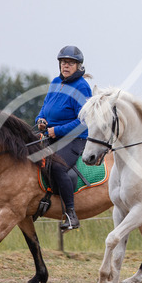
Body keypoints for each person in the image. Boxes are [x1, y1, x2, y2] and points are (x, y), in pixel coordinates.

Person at [35, 45, 93, 232]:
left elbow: (84, 120)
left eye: (70, 63)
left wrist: (57, 130)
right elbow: (44, 108)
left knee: (57, 165)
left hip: (75, 139)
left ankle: (71, 214)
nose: (66, 66)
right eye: (63, 62)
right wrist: (40, 120)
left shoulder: (82, 86)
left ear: (78, 66)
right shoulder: (55, 82)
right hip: (51, 135)